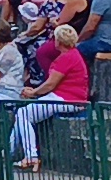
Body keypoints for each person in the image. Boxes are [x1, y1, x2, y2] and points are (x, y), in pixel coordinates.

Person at [6, 25, 90, 171]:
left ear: (59, 41)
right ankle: (9, 151)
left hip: (67, 98)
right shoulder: (72, 54)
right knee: (23, 113)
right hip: (65, 97)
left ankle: (31, 156)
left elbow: (50, 84)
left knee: (24, 113)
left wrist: (33, 93)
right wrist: (35, 91)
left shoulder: (66, 57)